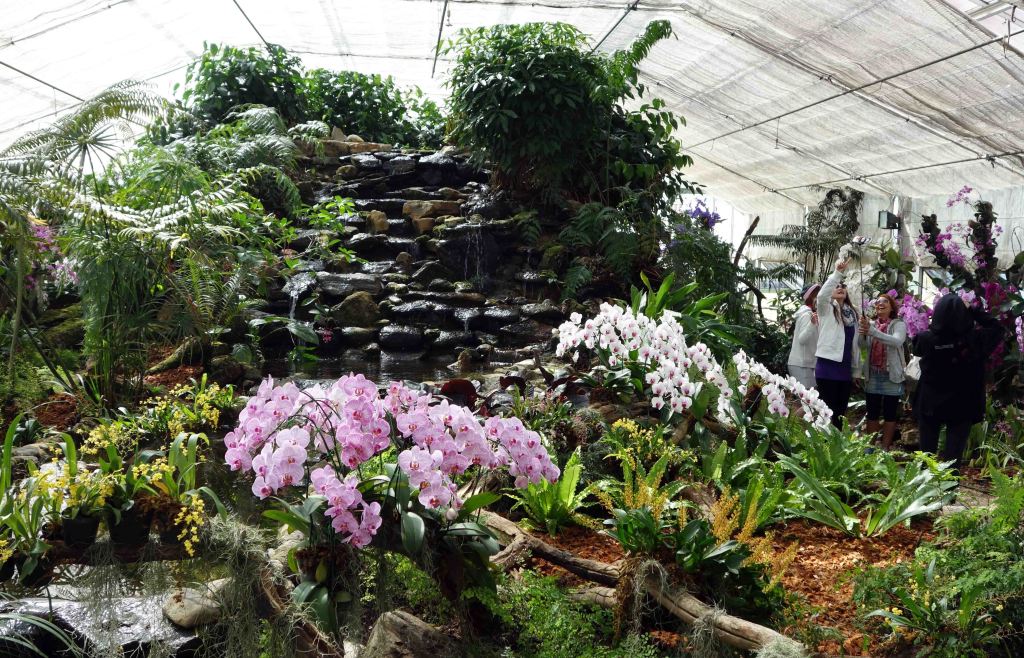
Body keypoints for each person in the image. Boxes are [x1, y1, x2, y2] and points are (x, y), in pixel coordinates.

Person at [913, 293, 1004, 465]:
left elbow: (916, 349)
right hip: (963, 403)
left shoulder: (925, 339)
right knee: (953, 455)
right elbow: (997, 328)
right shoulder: (976, 340)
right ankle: (949, 490)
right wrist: (973, 310)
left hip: (930, 402)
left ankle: (923, 488)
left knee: (926, 453)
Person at [815, 258, 860, 428]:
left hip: (844, 369)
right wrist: (837, 273)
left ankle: (836, 450)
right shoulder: (826, 309)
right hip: (827, 367)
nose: (840, 287)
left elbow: (854, 345)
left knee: (840, 413)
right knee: (827, 412)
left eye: (843, 286)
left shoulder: (852, 314)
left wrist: (856, 370)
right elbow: (822, 294)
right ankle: (823, 447)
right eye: (837, 286)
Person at [858, 293, 907, 449]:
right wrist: (862, 330)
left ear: (891, 306)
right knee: (872, 412)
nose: (880, 303)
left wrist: (872, 331)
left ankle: (885, 448)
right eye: (877, 302)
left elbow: (896, 341)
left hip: (891, 376)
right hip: (873, 375)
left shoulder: (898, 324)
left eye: (885, 301)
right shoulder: (871, 324)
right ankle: (870, 448)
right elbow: (862, 345)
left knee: (889, 413)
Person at [788, 283, 821, 390]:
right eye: (817, 294)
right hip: (801, 364)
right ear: (811, 297)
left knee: (806, 402)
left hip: (805, 363)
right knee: (806, 402)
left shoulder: (809, 313)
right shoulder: (807, 315)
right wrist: (812, 324)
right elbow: (802, 339)